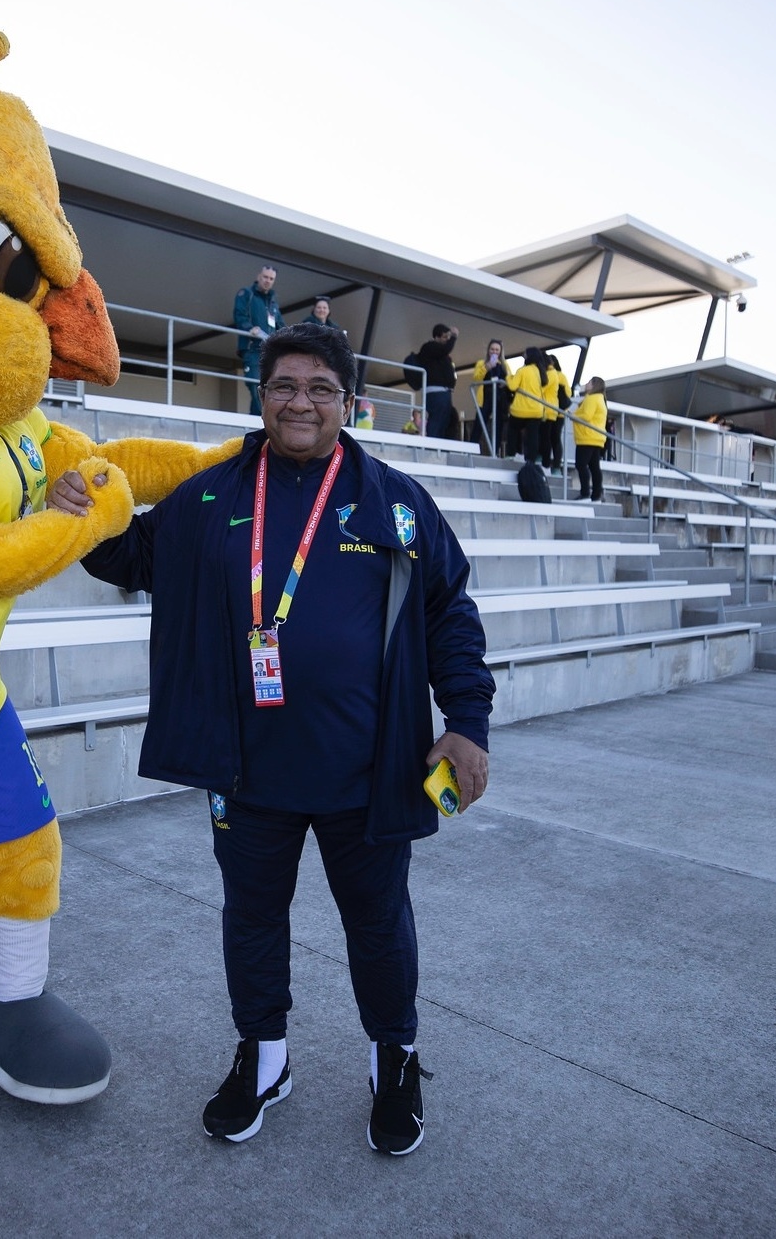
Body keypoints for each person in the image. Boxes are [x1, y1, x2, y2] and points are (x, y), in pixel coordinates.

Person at [56, 323, 494, 1158]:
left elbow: (450, 613)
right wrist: (83, 511)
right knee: (251, 919)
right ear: (262, 397)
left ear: (347, 402)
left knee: (378, 923)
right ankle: (263, 1058)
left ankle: (393, 1058)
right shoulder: (213, 492)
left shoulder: (394, 500)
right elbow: (130, 555)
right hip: (244, 769)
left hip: (370, 772)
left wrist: (465, 721)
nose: (301, 401)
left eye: (320, 388)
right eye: (285, 385)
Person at [234, 265, 285, 415]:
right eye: (265, 277)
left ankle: (256, 421)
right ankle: (264, 419)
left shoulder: (273, 303)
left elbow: (280, 325)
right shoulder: (246, 294)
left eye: (271, 279)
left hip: (270, 353)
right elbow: (239, 315)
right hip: (252, 348)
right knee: (255, 385)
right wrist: (250, 328)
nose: (268, 281)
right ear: (259, 277)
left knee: (266, 389)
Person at [412, 323, 460, 441]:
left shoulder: (440, 353)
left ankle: (440, 444)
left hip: (443, 392)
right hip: (436, 392)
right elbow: (445, 349)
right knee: (437, 419)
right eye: (445, 337)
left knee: (444, 419)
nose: (447, 340)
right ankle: (433, 444)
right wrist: (454, 337)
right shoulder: (430, 347)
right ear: (436, 337)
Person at [506, 346, 548, 465]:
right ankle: (531, 460)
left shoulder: (522, 370)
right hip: (537, 410)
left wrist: (509, 377)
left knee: (513, 430)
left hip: (521, 409)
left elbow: (512, 386)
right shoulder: (539, 371)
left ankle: (511, 454)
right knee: (533, 436)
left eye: (525, 353)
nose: (523, 355)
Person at [472, 339, 510, 456]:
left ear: (500, 352)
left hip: (499, 398)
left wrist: (505, 383)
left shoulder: (504, 365)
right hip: (485, 397)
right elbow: (476, 379)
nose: (494, 352)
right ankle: (471, 449)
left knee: (498, 426)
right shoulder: (481, 363)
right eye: (492, 349)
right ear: (488, 351)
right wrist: (487, 367)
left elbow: (510, 380)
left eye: (497, 350)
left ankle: (495, 451)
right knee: (479, 424)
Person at [572, 377, 607, 501]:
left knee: (581, 464)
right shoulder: (600, 399)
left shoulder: (592, 398)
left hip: (587, 437)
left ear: (594, 385)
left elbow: (586, 416)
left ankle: (585, 492)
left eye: (589, 382)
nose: (586, 384)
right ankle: (596, 494)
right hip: (596, 438)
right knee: (594, 467)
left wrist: (573, 416)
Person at [541, 355, 570, 476]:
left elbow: (567, 394)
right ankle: (551, 464)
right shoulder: (548, 374)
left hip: (558, 413)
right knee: (547, 438)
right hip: (550, 411)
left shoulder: (559, 375)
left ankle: (556, 466)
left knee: (555, 439)